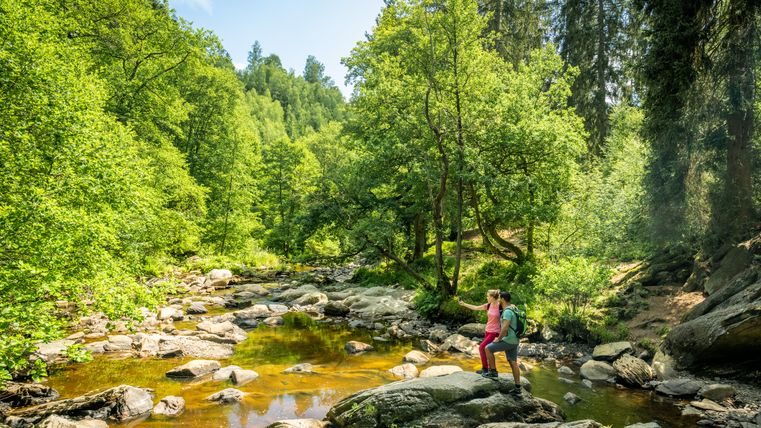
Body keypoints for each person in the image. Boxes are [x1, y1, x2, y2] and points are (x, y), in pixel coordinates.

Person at [483, 291, 522, 396]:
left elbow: (504, 328)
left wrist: (499, 339)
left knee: (487, 348)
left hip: (508, 340)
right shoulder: (514, 308)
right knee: (513, 362)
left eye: (499, 298)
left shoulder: (507, 312)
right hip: (515, 340)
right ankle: (518, 387)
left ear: (503, 300)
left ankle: (493, 372)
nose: (498, 300)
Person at [457, 289, 501, 374]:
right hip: (487, 330)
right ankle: (489, 369)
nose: (487, 297)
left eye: (488, 296)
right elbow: (476, 308)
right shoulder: (488, 305)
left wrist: (513, 306)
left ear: (492, 297)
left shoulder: (500, 306)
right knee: (487, 350)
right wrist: (464, 304)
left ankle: (486, 369)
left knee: (482, 347)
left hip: (495, 332)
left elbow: (509, 306)